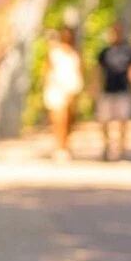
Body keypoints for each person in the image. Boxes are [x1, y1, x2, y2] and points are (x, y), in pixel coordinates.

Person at [93, 20, 131, 161]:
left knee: (123, 121)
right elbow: (97, 71)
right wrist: (95, 87)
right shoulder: (104, 52)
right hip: (107, 90)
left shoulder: (129, 51)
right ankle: (107, 146)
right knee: (104, 120)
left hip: (123, 90)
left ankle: (121, 149)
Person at [41, 26, 84, 161]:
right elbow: (47, 70)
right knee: (58, 119)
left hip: (70, 90)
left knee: (68, 121)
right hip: (56, 89)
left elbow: (79, 71)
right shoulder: (54, 53)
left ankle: (65, 146)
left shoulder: (74, 54)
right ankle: (59, 147)